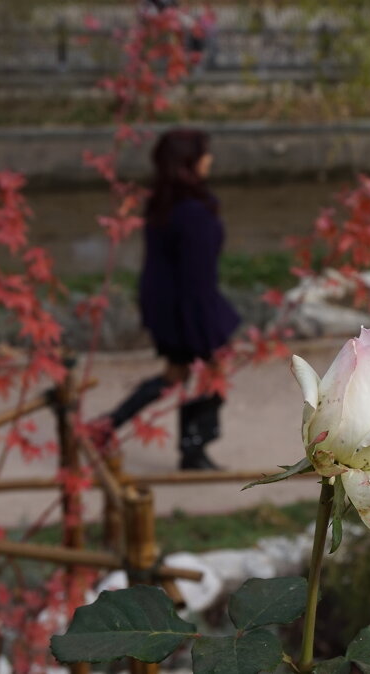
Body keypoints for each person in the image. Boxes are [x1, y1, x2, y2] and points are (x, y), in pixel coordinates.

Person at [90, 129, 241, 470]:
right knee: (210, 372)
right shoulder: (192, 212)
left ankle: (108, 427)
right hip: (184, 303)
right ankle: (193, 448)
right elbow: (196, 275)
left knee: (178, 373)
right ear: (189, 162)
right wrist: (203, 329)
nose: (210, 160)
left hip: (168, 301)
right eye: (204, 154)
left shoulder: (166, 202)